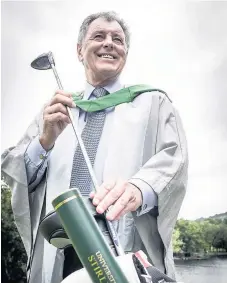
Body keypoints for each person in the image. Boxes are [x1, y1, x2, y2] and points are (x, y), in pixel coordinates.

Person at [1, 11, 188, 283]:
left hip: (124, 244)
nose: (109, 43)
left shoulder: (154, 104)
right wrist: (44, 142)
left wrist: (139, 188)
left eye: (118, 40)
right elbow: (15, 174)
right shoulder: (55, 110)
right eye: (98, 36)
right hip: (60, 251)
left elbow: (175, 160)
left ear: (125, 52)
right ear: (79, 50)